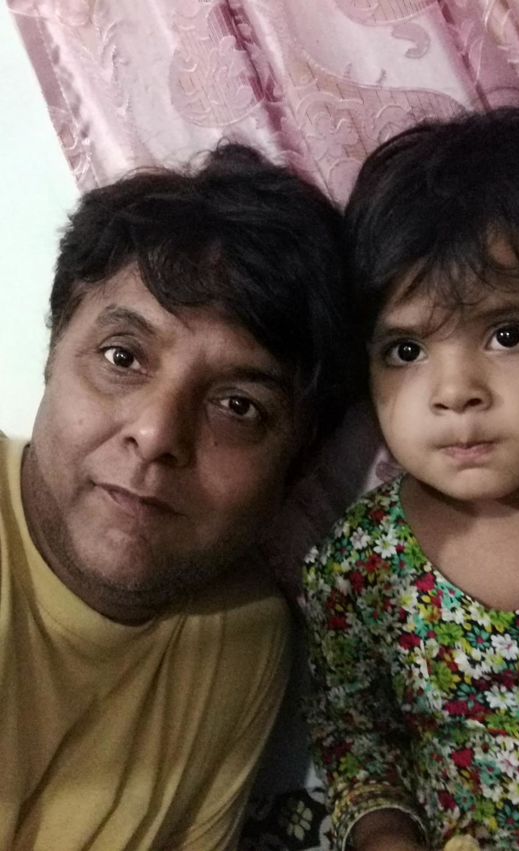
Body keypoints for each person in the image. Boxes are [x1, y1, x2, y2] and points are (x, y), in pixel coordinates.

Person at [302, 106, 519, 851]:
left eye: (507, 334)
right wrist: (383, 831)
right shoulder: (362, 564)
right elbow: (357, 737)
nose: (455, 391)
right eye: (405, 350)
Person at [1, 143, 350, 850]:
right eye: (123, 357)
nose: (157, 433)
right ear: (53, 351)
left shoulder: (244, 636)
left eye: (237, 406)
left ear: (298, 465)